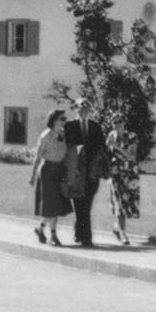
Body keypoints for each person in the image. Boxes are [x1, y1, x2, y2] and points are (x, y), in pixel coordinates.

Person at [62, 98, 107, 246]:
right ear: (76, 109)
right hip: (76, 172)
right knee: (79, 203)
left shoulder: (95, 127)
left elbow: (102, 149)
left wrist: (102, 168)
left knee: (86, 204)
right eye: (81, 108)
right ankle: (86, 238)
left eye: (87, 109)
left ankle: (79, 232)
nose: (84, 111)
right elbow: (66, 148)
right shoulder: (69, 126)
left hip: (91, 172)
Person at [28, 110, 71, 246]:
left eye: (65, 119)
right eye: (61, 119)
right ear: (53, 120)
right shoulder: (45, 136)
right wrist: (33, 176)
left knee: (56, 204)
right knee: (50, 204)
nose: (63, 122)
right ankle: (53, 235)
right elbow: (38, 157)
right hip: (47, 171)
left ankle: (41, 229)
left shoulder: (64, 135)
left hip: (59, 170)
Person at [106, 114, 141, 245]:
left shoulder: (132, 136)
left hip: (130, 173)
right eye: (114, 122)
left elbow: (132, 157)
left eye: (120, 121)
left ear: (124, 123)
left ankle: (117, 228)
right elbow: (107, 155)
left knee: (127, 204)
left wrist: (117, 147)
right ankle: (123, 234)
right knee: (119, 203)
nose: (117, 124)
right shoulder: (110, 136)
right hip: (115, 173)